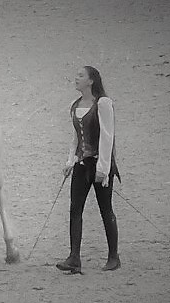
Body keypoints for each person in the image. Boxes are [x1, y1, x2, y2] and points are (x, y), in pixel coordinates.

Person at [56, 66, 121, 274]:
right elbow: (76, 138)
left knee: (105, 209)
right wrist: (70, 162)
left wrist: (103, 168)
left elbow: (107, 137)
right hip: (81, 165)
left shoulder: (103, 103)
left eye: (81, 75)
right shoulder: (75, 105)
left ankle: (113, 257)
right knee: (75, 209)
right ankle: (74, 257)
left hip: (99, 164)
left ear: (91, 81)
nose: (76, 78)